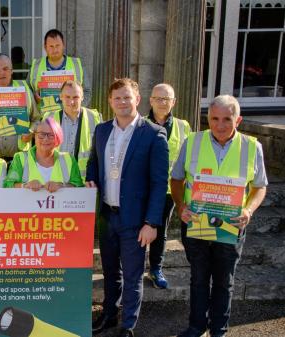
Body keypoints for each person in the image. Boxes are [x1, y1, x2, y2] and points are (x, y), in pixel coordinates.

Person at [171, 95, 267, 337]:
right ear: (207, 118)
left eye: (227, 119)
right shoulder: (192, 141)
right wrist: (181, 205)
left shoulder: (252, 146)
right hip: (196, 223)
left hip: (231, 225)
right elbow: (176, 179)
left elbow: (260, 186)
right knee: (199, 278)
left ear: (239, 120)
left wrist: (248, 210)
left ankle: (218, 330)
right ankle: (196, 326)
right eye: (214, 118)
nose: (220, 125)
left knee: (225, 281)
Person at [86, 78, 168, 337]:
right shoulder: (101, 130)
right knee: (110, 272)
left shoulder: (153, 134)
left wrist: (152, 223)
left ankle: (128, 325)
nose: (122, 102)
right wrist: (91, 178)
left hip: (136, 220)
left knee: (133, 276)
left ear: (137, 99)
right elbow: (93, 161)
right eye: (117, 98)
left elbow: (159, 183)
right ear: (110, 102)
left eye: (127, 97)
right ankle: (110, 316)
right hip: (107, 216)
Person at [145, 83, 191, 289]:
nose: (162, 103)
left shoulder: (183, 126)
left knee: (160, 230)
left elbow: (190, 158)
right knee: (137, 228)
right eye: (158, 98)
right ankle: (134, 269)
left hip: (169, 190)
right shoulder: (140, 124)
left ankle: (155, 269)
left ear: (174, 102)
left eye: (167, 99)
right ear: (150, 100)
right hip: (143, 187)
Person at [43, 80, 102, 181]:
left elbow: (101, 153)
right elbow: (41, 152)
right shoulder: (49, 118)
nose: (71, 102)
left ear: (82, 97)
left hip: (85, 182)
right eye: (67, 97)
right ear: (61, 97)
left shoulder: (95, 118)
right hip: (55, 181)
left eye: (76, 97)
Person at [4, 116, 83, 190]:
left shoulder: (69, 159)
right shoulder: (20, 158)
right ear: (35, 136)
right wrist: (26, 185)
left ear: (57, 138)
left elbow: (79, 187)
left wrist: (61, 186)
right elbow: (8, 185)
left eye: (51, 135)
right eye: (41, 134)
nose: (45, 139)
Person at [27, 29, 91, 111]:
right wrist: (34, 98)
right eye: (51, 46)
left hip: (70, 118)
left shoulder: (77, 65)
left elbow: (87, 91)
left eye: (57, 46)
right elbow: (27, 94)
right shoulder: (35, 66)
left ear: (63, 45)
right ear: (45, 47)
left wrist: (76, 107)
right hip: (44, 119)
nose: (55, 50)